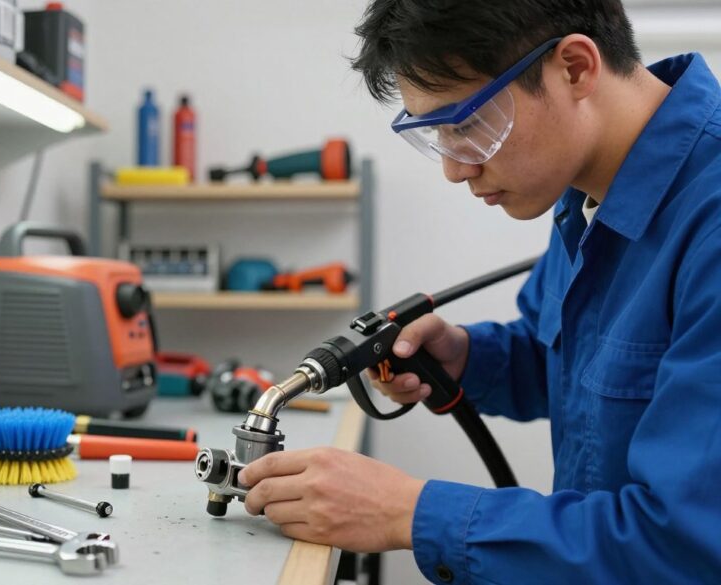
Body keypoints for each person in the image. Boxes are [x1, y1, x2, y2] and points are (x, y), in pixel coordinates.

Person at [237, 1, 721, 582]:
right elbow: (583, 368)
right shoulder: (585, 188)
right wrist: (471, 358)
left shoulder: (709, 223)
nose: (454, 169)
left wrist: (406, 512)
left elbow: (685, 548)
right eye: (434, 134)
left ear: (574, 68)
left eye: (467, 125)